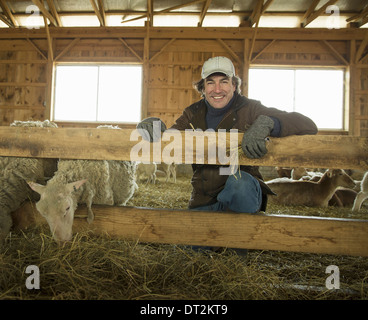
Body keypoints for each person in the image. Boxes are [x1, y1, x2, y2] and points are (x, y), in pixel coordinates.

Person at [137, 56, 318, 214]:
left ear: (233, 85)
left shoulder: (250, 109)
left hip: (243, 195)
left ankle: (239, 245)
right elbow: (173, 136)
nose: (217, 89)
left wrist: (268, 123)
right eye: (210, 82)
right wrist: (155, 130)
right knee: (195, 250)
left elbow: (308, 125)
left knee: (240, 183)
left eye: (224, 81)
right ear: (203, 87)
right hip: (204, 198)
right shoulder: (192, 113)